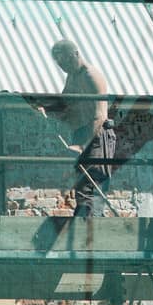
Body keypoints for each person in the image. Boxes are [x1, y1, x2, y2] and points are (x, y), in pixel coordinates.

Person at [37, 39, 115, 216]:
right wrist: (46, 109)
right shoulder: (72, 77)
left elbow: (99, 115)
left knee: (91, 185)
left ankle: (90, 230)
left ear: (76, 54)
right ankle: (83, 226)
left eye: (66, 61)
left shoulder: (91, 76)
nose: (64, 67)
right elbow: (66, 105)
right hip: (81, 132)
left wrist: (83, 145)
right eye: (60, 64)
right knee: (81, 185)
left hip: (97, 134)